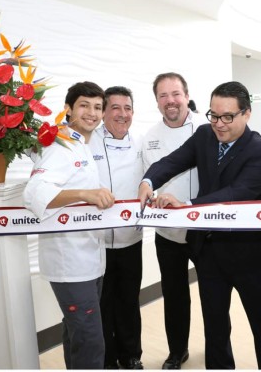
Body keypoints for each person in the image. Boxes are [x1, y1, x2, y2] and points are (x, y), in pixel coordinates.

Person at [139, 81, 261, 369]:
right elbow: (172, 161)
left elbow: (237, 192)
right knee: (215, 327)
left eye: (228, 116)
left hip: (250, 254)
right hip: (210, 252)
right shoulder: (204, 136)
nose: (219, 123)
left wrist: (189, 205)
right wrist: (148, 180)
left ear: (247, 114)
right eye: (214, 115)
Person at [24, 81, 115, 369]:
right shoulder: (60, 146)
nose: (92, 113)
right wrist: (85, 194)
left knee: (78, 333)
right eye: (84, 105)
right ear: (68, 109)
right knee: (90, 340)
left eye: (98, 107)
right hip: (70, 263)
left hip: (90, 258)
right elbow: (34, 193)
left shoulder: (81, 144)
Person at [141, 72, 205, 369]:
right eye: (163, 96)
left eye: (176, 93)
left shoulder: (205, 129)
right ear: (156, 102)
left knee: (213, 295)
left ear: (187, 95)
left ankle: (218, 349)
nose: (171, 101)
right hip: (167, 233)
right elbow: (148, 180)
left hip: (204, 230)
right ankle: (177, 351)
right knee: (175, 296)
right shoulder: (150, 138)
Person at [89, 86, 144, 369]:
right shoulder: (88, 142)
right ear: (103, 112)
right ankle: (107, 360)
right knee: (102, 304)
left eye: (128, 108)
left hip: (131, 239)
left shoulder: (140, 143)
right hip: (96, 242)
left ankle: (131, 355)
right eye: (115, 108)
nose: (123, 114)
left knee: (129, 302)